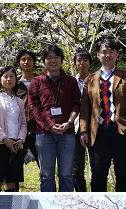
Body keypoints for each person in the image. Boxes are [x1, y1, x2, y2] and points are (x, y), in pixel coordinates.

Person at [79, 39, 126, 191]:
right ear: (97, 55)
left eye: (111, 52)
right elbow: (85, 108)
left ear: (117, 54)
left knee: (122, 172)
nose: (107, 55)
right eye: (104, 52)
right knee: (98, 174)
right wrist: (83, 131)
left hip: (121, 130)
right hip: (99, 131)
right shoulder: (90, 80)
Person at [28, 45, 81, 192]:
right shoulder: (36, 82)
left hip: (67, 133)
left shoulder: (71, 81)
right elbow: (34, 108)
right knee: (46, 175)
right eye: (49, 57)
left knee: (66, 174)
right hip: (44, 134)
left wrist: (69, 122)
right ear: (44, 61)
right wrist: (49, 125)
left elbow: (76, 104)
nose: (53, 60)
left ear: (62, 60)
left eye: (56, 57)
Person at [0, 66, 27, 192]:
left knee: (11, 183)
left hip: (16, 145)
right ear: (0, 79)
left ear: (16, 79)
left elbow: (23, 124)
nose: (8, 79)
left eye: (12, 76)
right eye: (5, 76)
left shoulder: (19, 101)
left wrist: (21, 139)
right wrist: (5, 139)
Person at [16, 49, 40, 171]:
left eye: (30, 59)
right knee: (15, 167)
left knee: (44, 167)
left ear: (34, 62)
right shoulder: (14, 83)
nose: (26, 62)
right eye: (23, 59)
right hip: (19, 130)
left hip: (39, 129)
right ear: (19, 62)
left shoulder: (42, 81)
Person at [72, 50, 92, 192]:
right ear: (75, 63)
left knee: (96, 163)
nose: (82, 63)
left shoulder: (96, 80)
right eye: (79, 60)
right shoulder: (70, 82)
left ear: (90, 63)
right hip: (74, 126)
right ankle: (81, 191)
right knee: (76, 165)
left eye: (85, 60)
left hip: (93, 126)